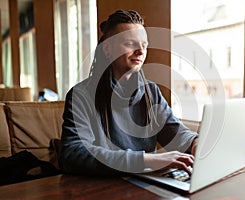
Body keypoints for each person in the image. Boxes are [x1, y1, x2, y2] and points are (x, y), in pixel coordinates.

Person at [59, 10, 198, 177]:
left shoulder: (151, 91)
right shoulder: (81, 95)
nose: (141, 51)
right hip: (101, 187)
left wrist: (195, 142)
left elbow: (175, 131)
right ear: (108, 48)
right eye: (131, 44)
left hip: (145, 185)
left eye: (144, 45)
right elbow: (73, 154)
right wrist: (146, 160)